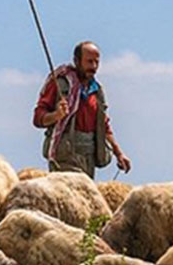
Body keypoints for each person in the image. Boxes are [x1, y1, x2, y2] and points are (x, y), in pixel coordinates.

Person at [33, 41, 131, 177]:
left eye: (96, 62)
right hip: (65, 156)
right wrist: (56, 115)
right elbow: (38, 118)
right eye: (89, 62)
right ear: (77, 61)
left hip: (88, 157)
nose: (94, 67)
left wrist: (119, 154)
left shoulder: (96, 91)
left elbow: (104, 125)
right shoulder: (60, 84)